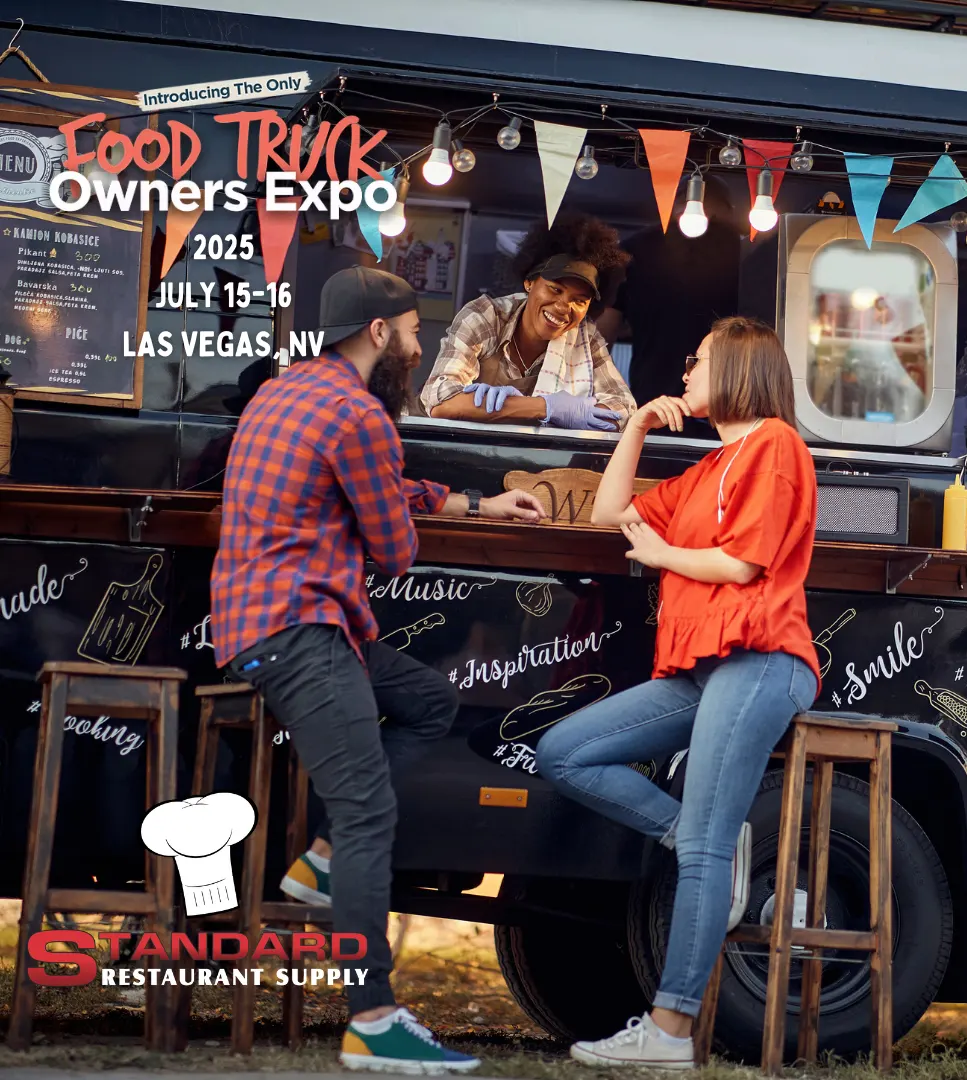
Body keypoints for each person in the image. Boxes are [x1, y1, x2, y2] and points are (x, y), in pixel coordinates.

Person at [210, 265, 545, 1073]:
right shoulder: (360, 416)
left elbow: (379, 488)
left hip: (265, 625)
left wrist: (474, 503)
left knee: (429, 698)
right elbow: (393, 549)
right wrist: (417, 509)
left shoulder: (282, 393)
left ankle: (323, 864)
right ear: (379, 333)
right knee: (368, 816)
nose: (421, 342)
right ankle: (372, 1020)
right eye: (414, 327)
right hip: (302, 630)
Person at [534, 316, 820, 1069]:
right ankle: (706, 848)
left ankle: (669, 1032)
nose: (686, 370)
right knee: (565, 750)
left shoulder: (775, 446)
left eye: (698, 360)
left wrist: (664, 555)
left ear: (737, 367)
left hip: (759, 658)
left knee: (702, 846)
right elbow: (607, 513)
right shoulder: (708, 465)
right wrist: (632, 426)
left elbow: (746, 564)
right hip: (702, 667)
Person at [419, 214, 637, 431]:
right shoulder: (486, 317)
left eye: (579, 301)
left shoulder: (585, 337)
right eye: (555, 289)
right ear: (529, 282)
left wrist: (497, 407)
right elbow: (440, 401)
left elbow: (624, 410)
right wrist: (545, 408)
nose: (563, 308)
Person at [593, 184, 740, 431]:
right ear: (727, 209)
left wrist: (602, 404)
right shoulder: (750, 253)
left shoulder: (632, 250)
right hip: (728, 414)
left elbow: (599, 343)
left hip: (652, 407)